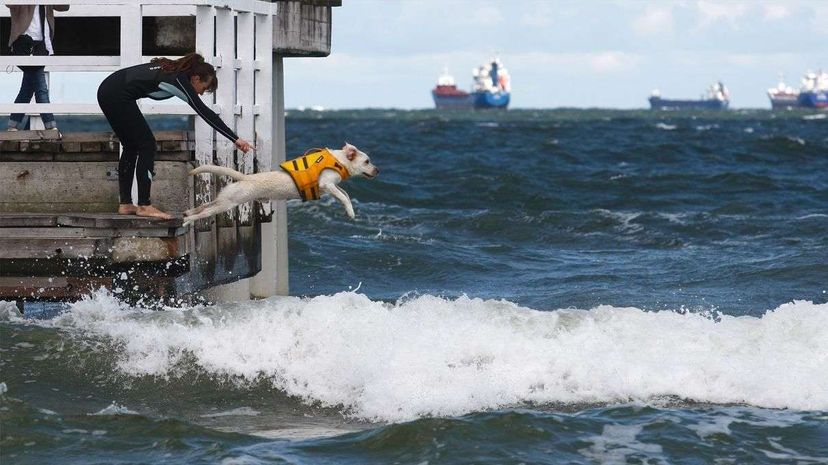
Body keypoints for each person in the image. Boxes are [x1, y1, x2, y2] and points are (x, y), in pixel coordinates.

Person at [96, 53, 253, 219]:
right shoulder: (179, 80)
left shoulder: (173, 73)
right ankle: (144, 205)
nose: (200, 93)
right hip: (116, 94)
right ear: (196, 79)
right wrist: (235, 139)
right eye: (204, 89)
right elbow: (204, 112)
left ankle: (126, 204)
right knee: (147, 144)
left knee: (132, 145)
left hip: (108, 90)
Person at [6, 4, 69, 131]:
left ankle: (13, 124)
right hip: (24, 42)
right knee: (41, 87)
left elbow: (64, 6)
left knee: (27, 88)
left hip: (42, 44)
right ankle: (50, 125)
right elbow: (10, 3)